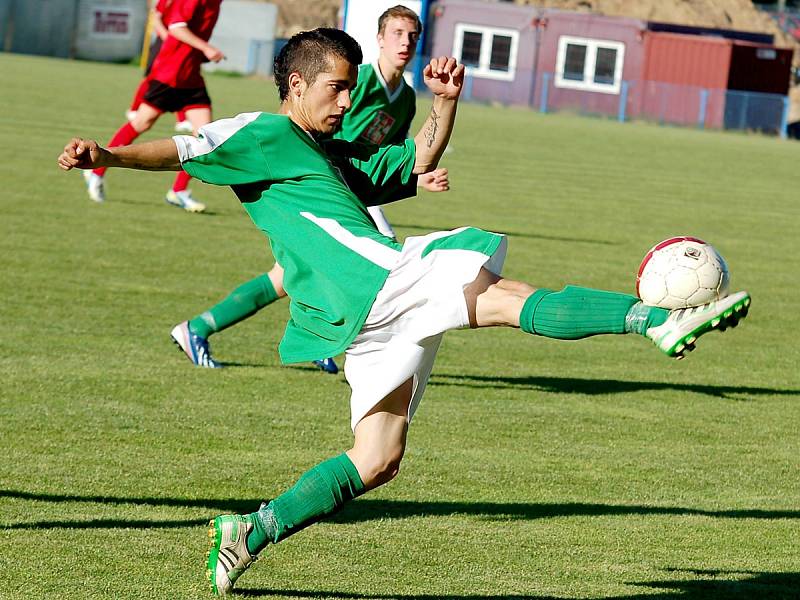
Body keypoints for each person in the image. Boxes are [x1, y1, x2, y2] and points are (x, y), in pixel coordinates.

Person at [57, 28, 751, 597]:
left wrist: (445, 104)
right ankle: (652, 319)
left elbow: (413, 162)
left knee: (378, 460)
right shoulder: (261, 133)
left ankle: (251, 531)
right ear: (296, 84)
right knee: (499, 297)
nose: (346, 99)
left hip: (363, 316)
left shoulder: (328, 152)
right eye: (335, 87)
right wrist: (108, 155)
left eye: (351, 87)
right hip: (380, 281)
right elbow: (179, 146)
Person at [168, 5, 447, 373]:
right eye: (397, 33)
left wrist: (415, 175)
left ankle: (202, 327)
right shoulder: (353, 79)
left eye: (413, 36)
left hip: (348, 185)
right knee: (383, 267)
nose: (406, 43)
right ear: (379, 38)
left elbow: (386, 155)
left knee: (288, 277)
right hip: (316, 185)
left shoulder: (407, 98)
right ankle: (340, 346)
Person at [82, 0, 225, 213]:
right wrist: (204, 47)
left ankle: (178, 191)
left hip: (191, 78)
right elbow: (177, 28)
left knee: (206, 137)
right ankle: (96, 172)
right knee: (141, 123)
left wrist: (199, 52)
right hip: (169, 75)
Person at [127, 0, 193, 134]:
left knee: (180, 81)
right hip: (165, 44)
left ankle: (182, 120)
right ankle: (133, 110)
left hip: (178, 45)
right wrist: (166, 38)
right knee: (152, 79)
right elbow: (156, 18)